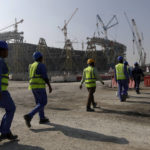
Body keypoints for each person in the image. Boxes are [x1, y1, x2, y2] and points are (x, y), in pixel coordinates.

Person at [24, 51, 52, 128]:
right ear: (40, 57)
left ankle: (42, 118)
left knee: (39, 103)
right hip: (40, 86)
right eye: (42, 57)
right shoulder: (41, 65)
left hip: (33, 86)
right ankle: (29, 116)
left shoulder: (31, 65)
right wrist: (49, 86)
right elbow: (45, 77)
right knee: (43, 102)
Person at [0, 41, 18, 141]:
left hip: (2, 91)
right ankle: (5, 132)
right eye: (7, 50)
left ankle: (6, 131)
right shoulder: (0, 61)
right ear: (2, 50)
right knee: (11, 108)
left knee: (9, 109)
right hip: (2, 91)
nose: (8, 52)